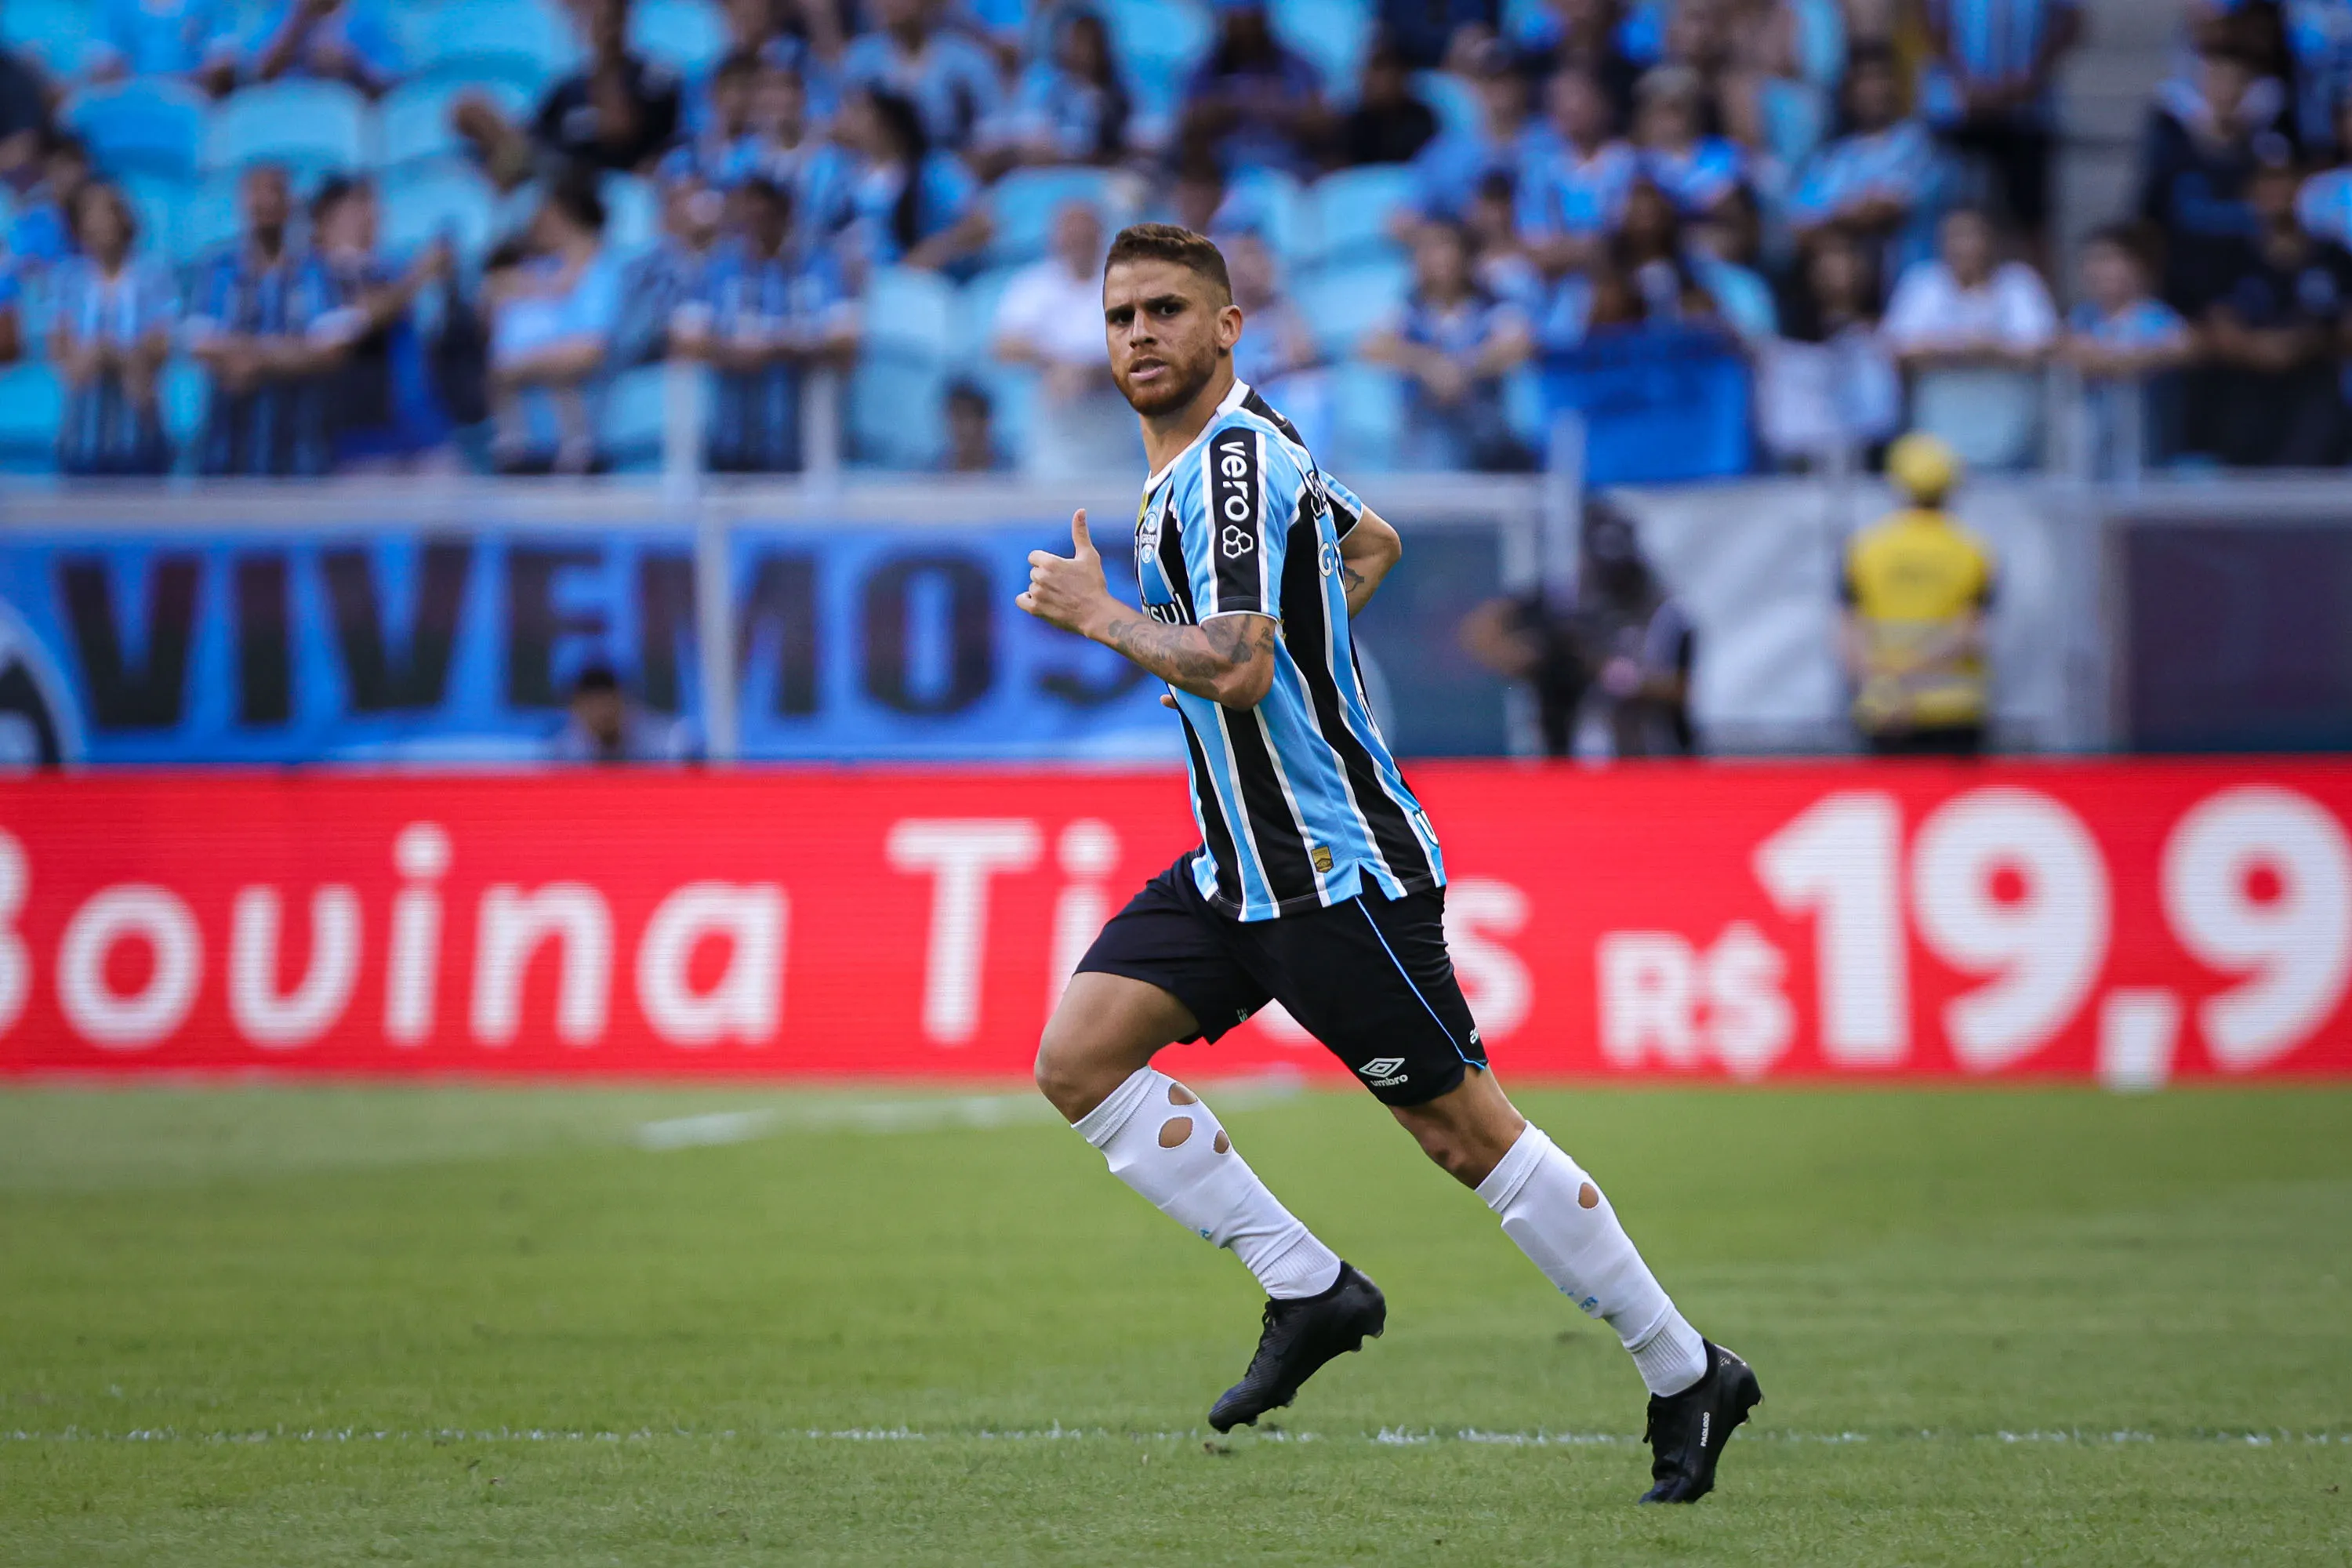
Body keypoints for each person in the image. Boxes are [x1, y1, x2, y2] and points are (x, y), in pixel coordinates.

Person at [1014, 222, 1759, 1504]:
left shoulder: (1231, 465)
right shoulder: (1220, 458)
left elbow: (1241, 665)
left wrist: (1108, 618)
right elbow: (1370, 548)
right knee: (1078, 1059)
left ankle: (1687, 1368)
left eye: (1166, 311)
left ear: (1226, 327)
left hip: (1329, 866)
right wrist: (1293, 640)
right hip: (1239, 864)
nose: (1140, 335)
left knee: (1465, 1135)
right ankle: (1309, 1288)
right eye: (1122, 315)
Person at [1460, 499, 1697, 757]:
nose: (1609, 579)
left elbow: (1689, 691)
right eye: (1601, 565)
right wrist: (1527, 657)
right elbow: (1482, 629)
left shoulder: (1667, 614)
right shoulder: (1564, 600)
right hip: (1568, 755)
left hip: (1648, 756)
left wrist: (1617, 676)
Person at [676, 174, 859, 471]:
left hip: (801, 442)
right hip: (729, 439)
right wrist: (731, 352)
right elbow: (683, 341)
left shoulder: (819, 267)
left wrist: (781, 348)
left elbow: (847, 344)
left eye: (766, 217)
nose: (756, 228)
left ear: (786, 215)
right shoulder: (719, 269)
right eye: (748, 218)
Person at [2187, 158, 2352, 466]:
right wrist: (2259, 348)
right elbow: (2215, 323)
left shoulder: (2332, 256)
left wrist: (2306, 342)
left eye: (2284, 183)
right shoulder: (2230, 255)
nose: (2276, 194)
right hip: (2246, 393)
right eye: (2267, 184)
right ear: (2251, 193)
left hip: (2315, 391)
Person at [1839, 432, 1996, 757]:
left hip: (1886, 709)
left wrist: (1888, 677)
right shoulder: (1973, 550)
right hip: (1956, 713)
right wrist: (1917, 667)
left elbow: (1847, 637)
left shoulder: (1867, 549)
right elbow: (1972, 635)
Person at [306, 175, 463, 470]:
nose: (371, 217)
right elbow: (357, 320)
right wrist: (420, 274)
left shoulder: (391, 268)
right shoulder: (312, 277)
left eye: (373, 206)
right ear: (325, 219)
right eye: (357, 208)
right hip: (362, 444)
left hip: (428, 438)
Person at [1882, 206, 2056, 471]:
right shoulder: (1923, 282)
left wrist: (1989, 348)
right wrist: (1959, 345)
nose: (1963, 246)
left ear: (1992, 240)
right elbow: (1897, 346)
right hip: (1938, 429)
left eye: (1972, 236)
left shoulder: (2019, 282)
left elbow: (2042, 346)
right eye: (1954, 237)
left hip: (2010, 430)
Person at [187, 163, 332, 477]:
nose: (266, 202)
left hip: (299, 448)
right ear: (242, 202)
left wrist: (256, 359)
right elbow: (201, 343)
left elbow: (324, 350)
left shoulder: (313, 271)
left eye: (275, 191)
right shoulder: (218, 269)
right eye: (257, 192)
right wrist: (284, 353)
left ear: (290, 203)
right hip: (227, 446)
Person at [1362, 220, 1537, 470]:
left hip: (1485, 429)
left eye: (1445, 247)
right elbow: (1371, 347)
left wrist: (1465, 369)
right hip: (1428, 424)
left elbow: (1519, 344)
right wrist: (1427, 364)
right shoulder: (1409, 308)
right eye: (1427, 249)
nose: (1438, 258)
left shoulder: (1492, 305)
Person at [455, 0, 684, 190]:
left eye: (607, 14)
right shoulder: (569, 89)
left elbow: (617, 129)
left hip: (611, 190)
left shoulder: (654, 74)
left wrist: (605, 53)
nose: (596, 19)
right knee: (473, 111)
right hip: (555, 184)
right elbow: (532, 143)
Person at [1917, 0, 2083, 261]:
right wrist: (1963, 81)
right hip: (1958, 108)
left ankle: (2031, 295)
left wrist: (2031, 77)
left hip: (2027, 109)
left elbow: (2071, 19)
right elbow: (1928, 14)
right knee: (1951, 212)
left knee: (2029, 221)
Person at [485, 171, 624, 474]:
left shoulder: (604, 272)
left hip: (583, 441)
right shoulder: (539, 269)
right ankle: (514, 441)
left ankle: (573, 444)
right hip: (523, 451)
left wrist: (516, 365)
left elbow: (590, 352)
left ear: (567, 216)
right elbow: (493, 300)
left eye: (547, 213)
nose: (538, 221)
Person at [992, 198, 1139, 477]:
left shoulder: (1129, 287)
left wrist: (1089, 374)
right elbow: (1004, 346)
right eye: (1071, 234)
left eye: (1085, 234)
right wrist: (1056, 364)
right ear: (1056, 237)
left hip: (1112, 429)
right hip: (1053, 430)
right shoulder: (1032, 285)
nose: (1078, 241)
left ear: (1100, 235)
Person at [51, 181, 177, 476]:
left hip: (140, 435)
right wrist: (116, 357)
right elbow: (65, 358)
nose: (101, 222)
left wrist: (107, 354)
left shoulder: (153, 276)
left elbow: (159, 348)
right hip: (81, 439)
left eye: (108, 212)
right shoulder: (67, 280)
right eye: (91, 213)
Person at [2058, 223, 2194, 474]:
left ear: (2137, 266)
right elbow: (2066, 353)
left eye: (2110, 259)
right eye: (2092, 261)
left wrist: (2117, 361)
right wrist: (2123, 360)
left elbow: (2181, 348)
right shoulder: (2082, 317)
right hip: (2093, 446)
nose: (2100, 270)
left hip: (2145, 446)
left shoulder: (2155, 316)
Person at [1787, 43, 1943, 254]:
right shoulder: (1831, 157)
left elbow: (1884, 212)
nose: (1874, 89)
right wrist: (1852, 212)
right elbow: (1798, 228)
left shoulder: (1918, 143)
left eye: (1881, 78)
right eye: (1864, 80)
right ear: (1849, 91)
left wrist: (1834, 216)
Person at [828, 85, 992, 278]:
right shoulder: (850, 178)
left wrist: (932, 253)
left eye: (860, 113)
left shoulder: (934, 169)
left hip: (933, 289)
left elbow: (983, 225)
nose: (849, 121)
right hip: (878, 291)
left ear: (888, 122)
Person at [1179, 0, 1332, 176]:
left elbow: (1323, 124)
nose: (1244, 31)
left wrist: (1280, 107)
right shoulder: (1204, 67)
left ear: (1264, 20)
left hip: (1290, 172)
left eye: (1250, 21)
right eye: (1236, 22)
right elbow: (1187, 125)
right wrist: (1227, 104)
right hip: (1222, 174)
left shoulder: (1299, 66)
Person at [837, 0, 1006, 158]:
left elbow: (994, 131)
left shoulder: (966, 61)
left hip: (951, 168)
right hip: (881, 173)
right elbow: (845, 126)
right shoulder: (861, 61)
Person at [1006, 4, 1133, 168]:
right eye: (1074, 40)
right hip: (1040, 172)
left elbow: (1118, 146)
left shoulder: (1115, 94)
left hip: (1094, 173)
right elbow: (1024, 137)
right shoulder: (1041, 82)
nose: (1079, 50)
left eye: (1087, 42)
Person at [237, 0, 405, 96]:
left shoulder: (370, 17)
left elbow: (390, 88)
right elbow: (257, 77)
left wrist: (350, 67)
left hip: (345, 131)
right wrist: (299, 20)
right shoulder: (280, 16)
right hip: (284, 116)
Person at [549, 664, 695, 763]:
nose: (602, 714)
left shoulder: (662, 741)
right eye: (593, 706)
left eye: (607, 703)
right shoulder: (563, 752)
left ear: (621, 701)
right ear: (577, 708)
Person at [1336, 40, 1439, 169]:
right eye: (1369, 73)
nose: (1370, 82)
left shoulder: (1422, 119)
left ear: (1400, 77)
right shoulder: (1354, 123)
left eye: (1380, 73)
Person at [941, 378, 1008, 471]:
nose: (957, 427)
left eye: (964, 417)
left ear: (984, 422)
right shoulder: (933, 473)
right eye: (953, 417)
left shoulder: (1009, 472)